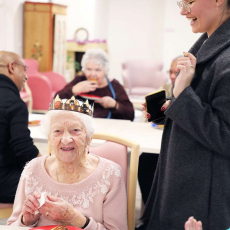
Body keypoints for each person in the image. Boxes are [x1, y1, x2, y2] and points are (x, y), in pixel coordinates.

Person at [140, 0, 230, 229]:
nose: (182, 10)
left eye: (189, 1)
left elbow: (226, 137)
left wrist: (182, 95)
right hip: (185, 185)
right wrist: (170, 108)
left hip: (203, 198)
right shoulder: (208, 46)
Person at [7, 96, 127, 229]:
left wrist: (75, 219)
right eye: (57, 131)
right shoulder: (32, 169)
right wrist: (26, 221)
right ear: (50, 139)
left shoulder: (110, 174)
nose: (65, 139)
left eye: (75, 130)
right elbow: (12, 226)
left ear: (89, 138)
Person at [0, 51, 40, 204]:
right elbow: (23, 149)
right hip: (4, 184)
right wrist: (47, 168)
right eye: (24, 69)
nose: (26, 76)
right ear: (12, 67)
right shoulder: (14, 104)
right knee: (55, 183)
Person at [56, 48, 134, 121]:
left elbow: (131, 115)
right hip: (80, 127)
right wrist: (74, 90)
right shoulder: (79, 80)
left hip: (106, 129)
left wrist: (115, 105)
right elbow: (55, 103)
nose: (93, 74)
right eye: (89, 69)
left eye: (98, 70)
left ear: (105, 71)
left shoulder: (114, 85)